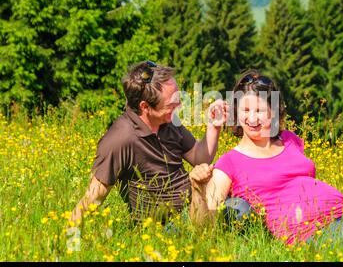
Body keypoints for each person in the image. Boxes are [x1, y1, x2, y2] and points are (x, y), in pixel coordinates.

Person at [193, 69, 343, 246]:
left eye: (260, 111)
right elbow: (203, 224)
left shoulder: (289, 139)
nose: (253, 118)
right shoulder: (230, 162)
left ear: (273, 112)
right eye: (245, 111)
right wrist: (197, 188)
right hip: (317, 232)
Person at [70, 61, 228, 226]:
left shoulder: (168, 122)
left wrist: (213, 126)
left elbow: (199, 158)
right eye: (171, 104)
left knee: (238, 207)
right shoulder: (120, 139)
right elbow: (94, 195)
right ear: (145, 107)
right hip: (162, 227)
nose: (180, 106)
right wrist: (68, 235)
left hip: (195, 206)